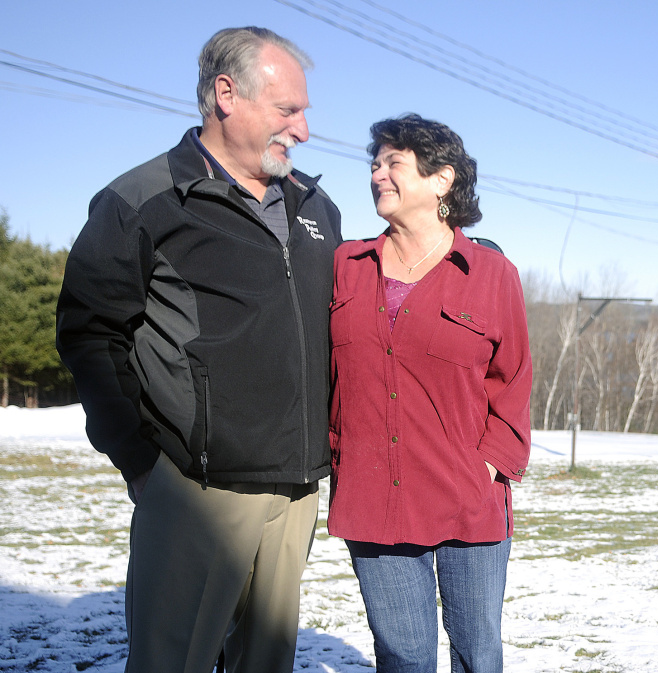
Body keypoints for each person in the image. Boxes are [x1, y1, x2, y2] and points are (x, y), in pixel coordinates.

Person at [55, 27, 342, 673]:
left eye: (304, 112)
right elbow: (90, 332)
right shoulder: (143, 200)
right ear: (226, 94)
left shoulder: (316, 206)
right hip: (196, 490)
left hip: (296, 489)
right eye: (287, 110)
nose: (302, 130)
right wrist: (140, 458)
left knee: (265, 664)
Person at [327, 113, 532, 673]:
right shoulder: (344, 267)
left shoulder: (491, 273)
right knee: (403, 657)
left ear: (443, 179)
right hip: (374, 495)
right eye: (374, 164)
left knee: (477, 654)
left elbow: (512, 381)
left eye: (393, 163)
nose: (377, 175)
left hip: (467, 495)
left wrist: (488, 467)